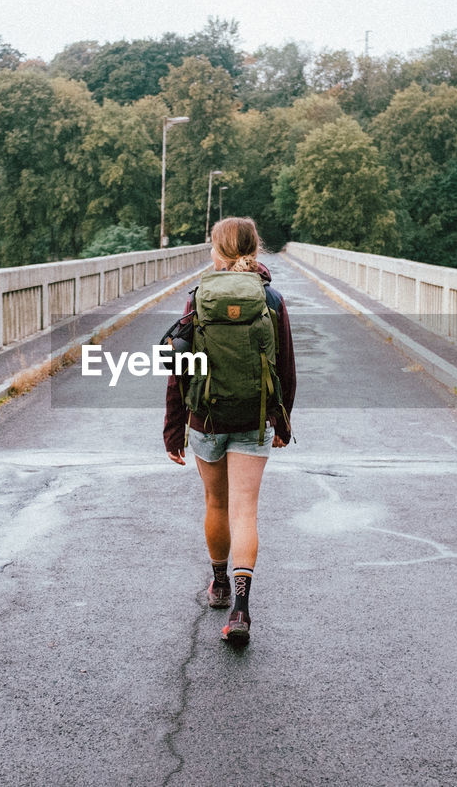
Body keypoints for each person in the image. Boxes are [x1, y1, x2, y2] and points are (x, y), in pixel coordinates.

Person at [164, 217, 296, 645]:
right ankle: (241, 609)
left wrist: (173, 429)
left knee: (216, 503)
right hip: (255, 420)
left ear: (216, 251)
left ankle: (218, 584)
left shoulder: (198, 299)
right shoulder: (271, 298)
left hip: (207, 419)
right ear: (256, 250)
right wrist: (281, 422)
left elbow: (179, 371)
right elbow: (286, 369)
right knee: (245, 511)